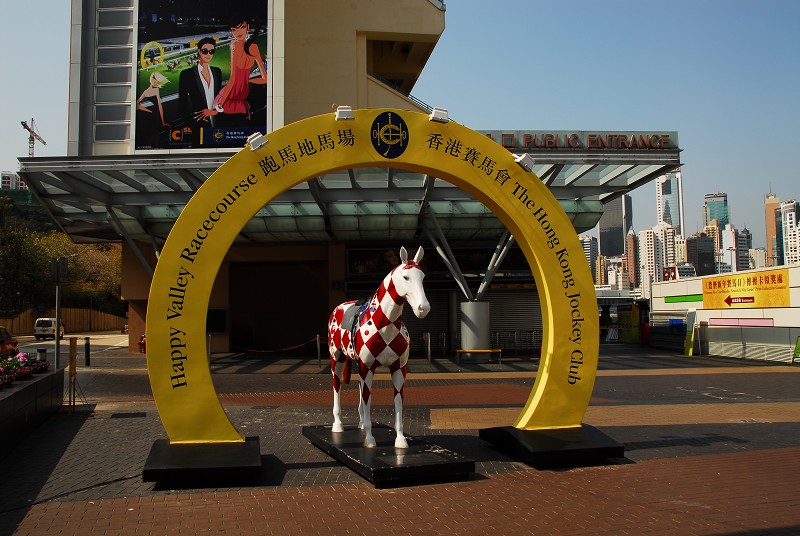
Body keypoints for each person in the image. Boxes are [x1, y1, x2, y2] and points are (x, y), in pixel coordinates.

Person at [213, 14, 268, 126]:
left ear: (247, 27)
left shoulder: (234, 44)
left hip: (230, 96)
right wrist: (248, 81)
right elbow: (265, 79)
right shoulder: (254, 47)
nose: (238, 33)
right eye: (234, 30)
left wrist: (221, 103)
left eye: (242, 27)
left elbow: (233, 79)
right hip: (242, 95)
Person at [178, 37, 223, 133]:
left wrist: (215, 112)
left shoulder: (217, 72)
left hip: (219, 125)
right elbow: (182, 104)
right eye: (205, 51)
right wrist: (191, 123)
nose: (208, 54)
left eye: (211, 51)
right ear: (199, 51)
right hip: (198, 127)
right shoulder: (186, 74)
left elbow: (221, 99)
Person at [135, 72, 169, 148]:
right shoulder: (146, 92)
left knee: (155, 135)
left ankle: (151, 150)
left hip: (155, 114)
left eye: (156, 80)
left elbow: (159, 105)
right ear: (151, 78)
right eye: (154, 78)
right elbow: (136, 104)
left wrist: (162, 121)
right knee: (154, 135)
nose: (155, 81)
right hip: (153, 115)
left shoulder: (156, 90)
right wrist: (148, 111)